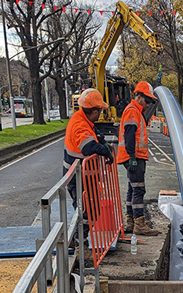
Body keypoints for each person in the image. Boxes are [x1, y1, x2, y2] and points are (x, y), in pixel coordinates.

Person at [117, 81, 160, 236]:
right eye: (147, 100)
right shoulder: (132, 111)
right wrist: (132, 156)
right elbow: (129, 135)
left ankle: (132, 221)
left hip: (131, 156)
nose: (148, 104)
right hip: (134, 157)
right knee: (138, 189)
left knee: (132, 188)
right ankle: (139, 224)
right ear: (140, 97)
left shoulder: (135, 111)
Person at [63, 88, 114, 207]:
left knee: (91, 211)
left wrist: (101, 140)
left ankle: (88, 226)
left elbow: (93, 131)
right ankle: (84, 227)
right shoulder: (79, 124)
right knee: (85, 213)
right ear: (95, 112)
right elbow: (88, 147)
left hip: (84, 178)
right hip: (79, 178)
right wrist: (106, 151)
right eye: (100, 111)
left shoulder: (82, 118)